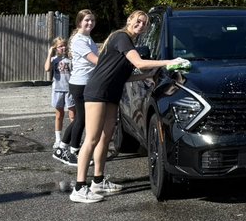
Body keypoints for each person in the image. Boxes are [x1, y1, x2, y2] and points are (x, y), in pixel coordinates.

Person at [71, 11, 179, 204]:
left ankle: (98, 180)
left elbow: (126, 76)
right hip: (98, 91)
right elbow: (138, 63)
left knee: (106, 137)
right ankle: (79, 187)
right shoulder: (121, 37)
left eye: (144, 23)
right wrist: (170, 62)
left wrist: (149, 75)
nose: (140, 25)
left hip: (112, 93)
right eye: (137, 21)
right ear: (129, 20)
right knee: (92, 138)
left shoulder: (130, 43)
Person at [53, 10, 98, 167]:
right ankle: (73, 152)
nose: (90, 23)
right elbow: (94, 60)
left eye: (92, 20)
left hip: (86, 83)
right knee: (82, 119)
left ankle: (62, 148)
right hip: (80, 84)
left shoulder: (87, 38)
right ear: (79, 22)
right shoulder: (79, 40)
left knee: (81, 118)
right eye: (86, 20)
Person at [44, 37, 73, 147]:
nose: (63, 48)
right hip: (58, 90)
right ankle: (58, 139)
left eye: (64, 45)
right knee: (59, 115)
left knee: (72, 116)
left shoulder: (70, 59)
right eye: (60, 46)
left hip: (70, 90)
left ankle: (73, 138)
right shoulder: (54, 59)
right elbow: (47, 68)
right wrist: (50, 54)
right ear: (56, 47)